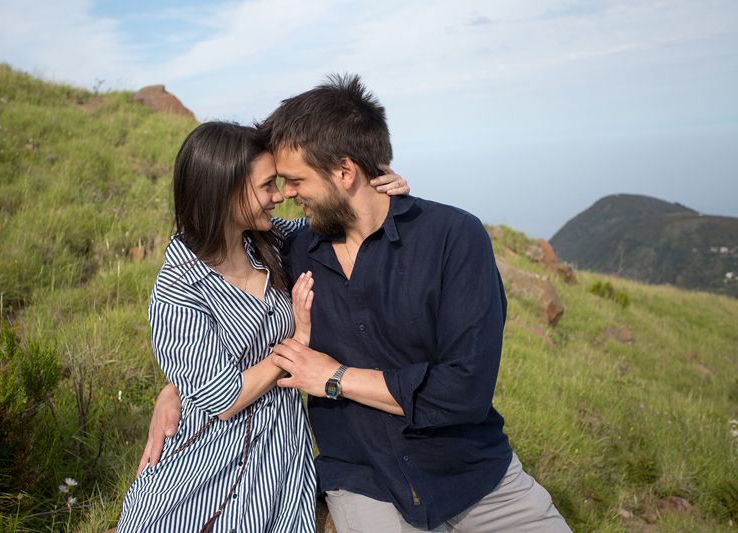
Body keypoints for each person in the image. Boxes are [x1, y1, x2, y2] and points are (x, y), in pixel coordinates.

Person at [145, 76, 571, 532]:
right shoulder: (294, 249)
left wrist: (334, 379)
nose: (286, 194)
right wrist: (176, 388)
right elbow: (209, 318)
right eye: (277, 183)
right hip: (364, 482)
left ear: (345, 173)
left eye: (294, 180)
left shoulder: (453, 238)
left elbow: (464, 391)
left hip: (472, 475)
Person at [117, 121, 409, 532]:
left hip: (282, 454)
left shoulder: (270, 241)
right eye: (267, 186)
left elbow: (334, 219)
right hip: (211, 460)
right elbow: (223, 398)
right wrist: (296, 346)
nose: (279, 197)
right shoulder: (179, 288)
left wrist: (378, 190)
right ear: (224, 190)